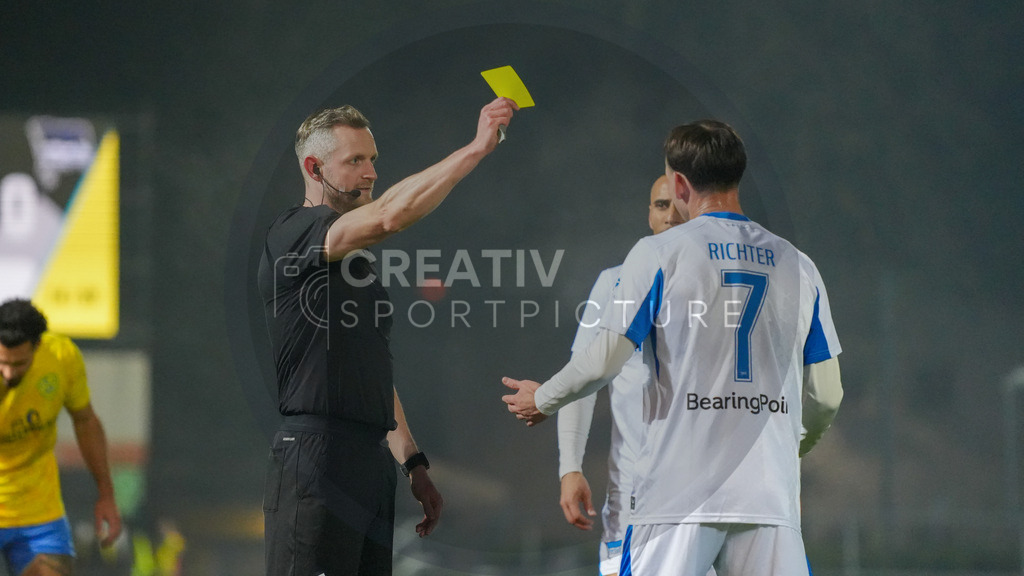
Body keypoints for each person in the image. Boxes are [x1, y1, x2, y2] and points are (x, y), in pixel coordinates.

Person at [502, 120, 843, 576]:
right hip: (768, 497)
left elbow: (603, 359)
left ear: (680, 183)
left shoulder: (658, 254)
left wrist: (541, 398)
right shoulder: (799, 265)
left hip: (677, 499)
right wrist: (791, 449)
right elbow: (826, 395)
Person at [257, 97, 517, 576]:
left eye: (373, 159)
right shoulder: (295, 232)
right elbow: (388, 217)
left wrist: (412, 462)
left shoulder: (355, 265)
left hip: (370, 461)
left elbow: (370, 370)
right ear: (314, 167)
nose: (370, 172)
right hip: (317, 455)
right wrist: (476, 149)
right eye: (355, 160)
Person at [557, 175, 685, 576]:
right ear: (648, 214)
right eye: (660, 205)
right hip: (633, 493)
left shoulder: (720, 282)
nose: (669, 215)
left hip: (703, 492)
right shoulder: (614, 281)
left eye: (678, 205)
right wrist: (570, 467)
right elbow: (580, 380)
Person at [0, 299, 122, 576]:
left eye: (19, 364)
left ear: (37, 347)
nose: (8, 373)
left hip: (39, 514)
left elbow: (86, 421)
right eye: (2, 363)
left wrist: (106, 494)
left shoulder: (61, 357)